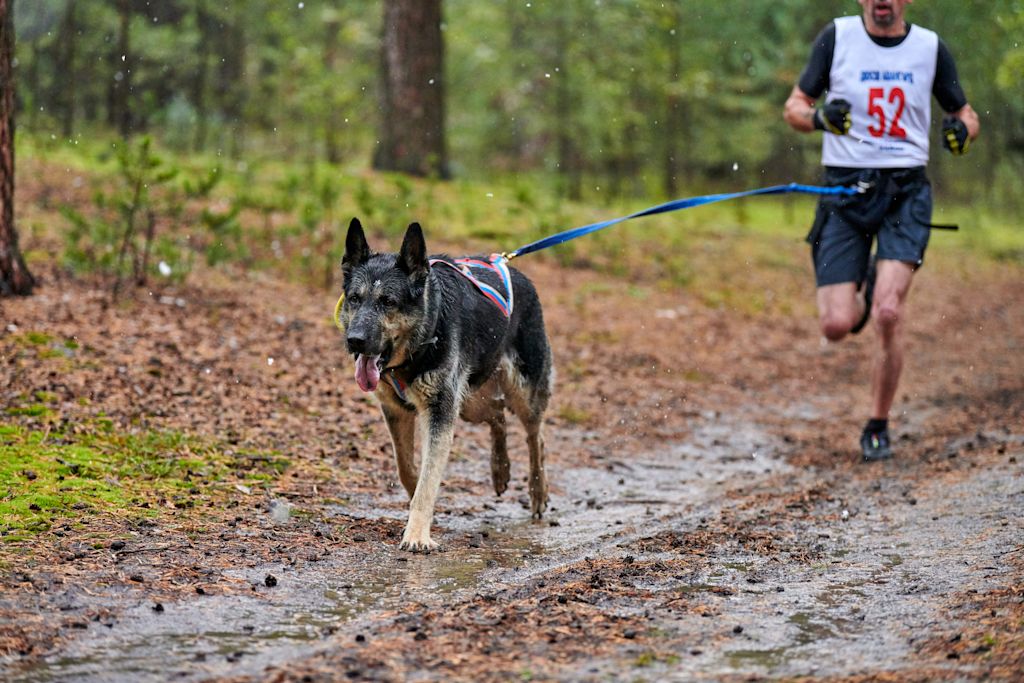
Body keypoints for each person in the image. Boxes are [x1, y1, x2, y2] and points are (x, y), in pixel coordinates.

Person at [783, 0, 979, 462]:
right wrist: (818, 118)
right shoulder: (837, 38)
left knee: (889, 312)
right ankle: (868, 285)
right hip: (844, 192)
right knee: (835, 325)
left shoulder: (930, 47)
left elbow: (968, 115)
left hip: (905, 193)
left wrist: (960, 132)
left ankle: (877, 423)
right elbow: (793, 107)